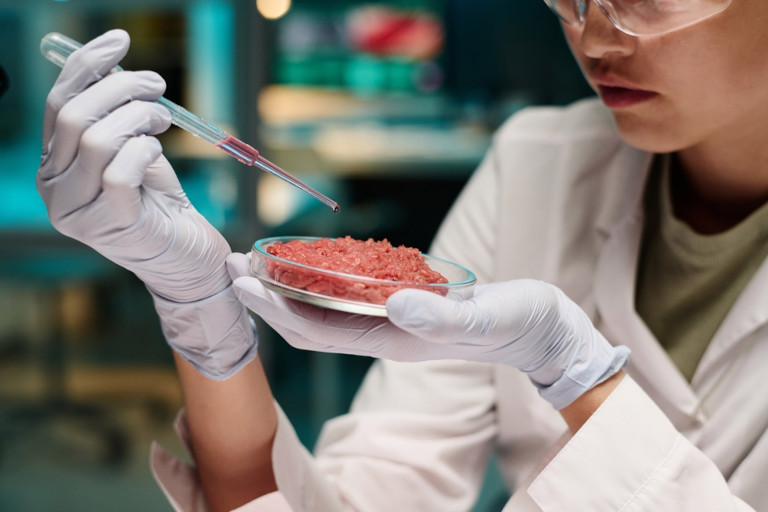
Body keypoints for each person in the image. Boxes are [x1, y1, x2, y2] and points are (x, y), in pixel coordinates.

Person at [36, 0, 768, 507]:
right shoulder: (539, 163)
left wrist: (578, 377)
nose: (596, 39)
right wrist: (198, 306)